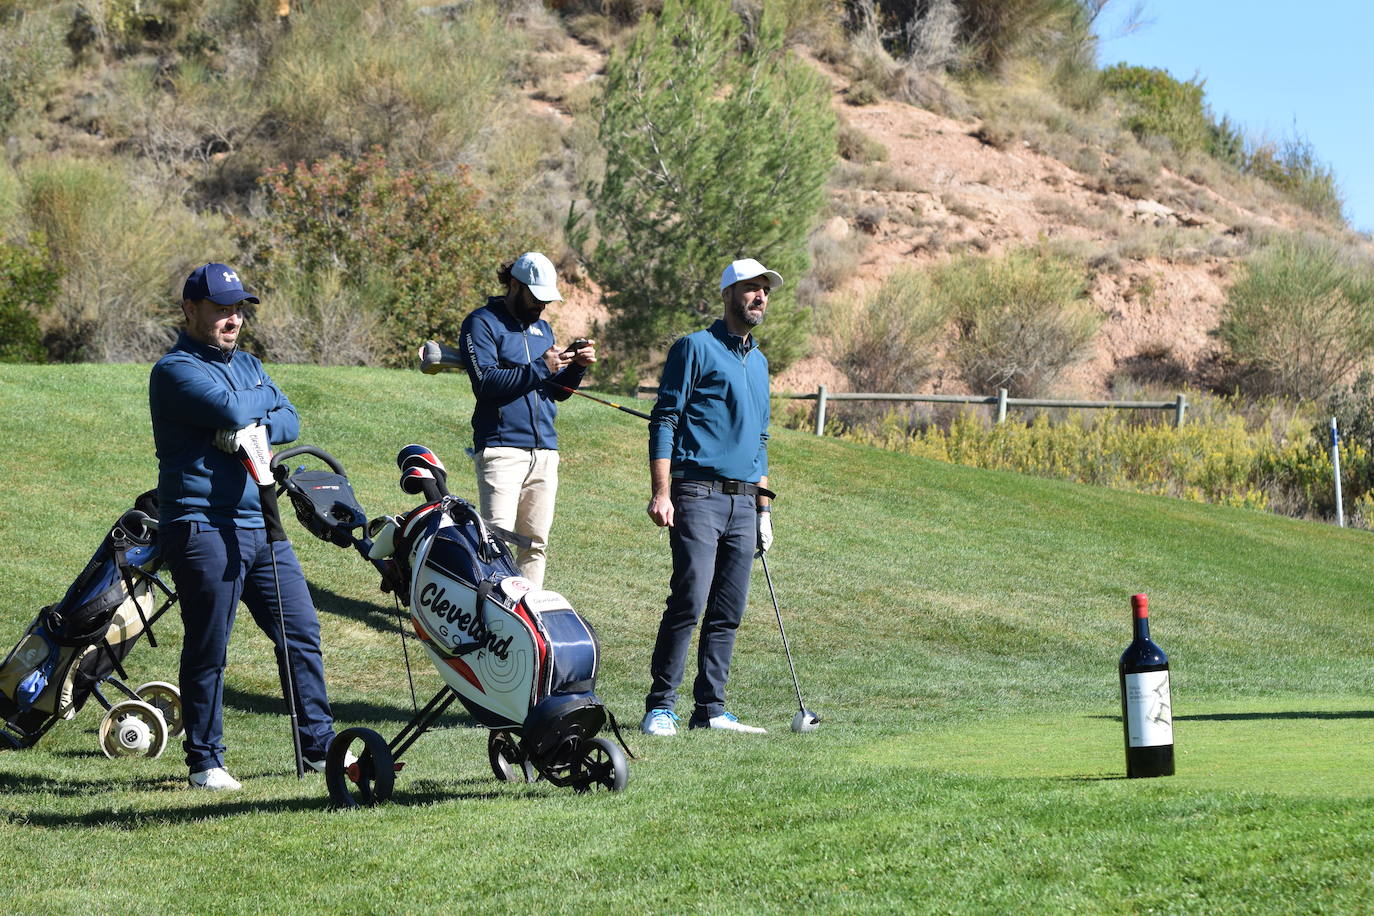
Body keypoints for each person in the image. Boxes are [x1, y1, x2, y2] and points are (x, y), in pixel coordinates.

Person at [149, 262, 339, 790]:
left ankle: (320, 749)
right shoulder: (174, 370)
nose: (232, 318)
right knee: (210, 643)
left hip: (262, 522)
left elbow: (290, 417)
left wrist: (251, 418)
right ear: (191, 310)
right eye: (220, 308)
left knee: (300, 632)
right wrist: (251, 411)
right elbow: (236, 408)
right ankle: (205, 762)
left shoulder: (250, 362)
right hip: (201, 525)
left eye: (238, 309)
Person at [641, 258, 779, 736]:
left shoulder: (760, 362)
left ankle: (711, 709)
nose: (760, 297)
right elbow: (665, 420)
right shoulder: (694, 348)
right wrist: (662, 492)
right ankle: (660, 707)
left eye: (765, 290)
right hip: (696, 493)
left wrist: (763, 510)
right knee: (690, 599)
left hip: (744, 501)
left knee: (728, 610)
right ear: (727, 294)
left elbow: (760, 441)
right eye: (751, 288)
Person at [455, 251, 595, 588]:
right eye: (537, 296)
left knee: (536, 544)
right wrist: (541, 367)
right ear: (515, 285)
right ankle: (485, 616)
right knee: (494, 544)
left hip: (545, 452)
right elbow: (486, 384)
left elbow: (555, 391)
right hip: (501, 450)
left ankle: (526, 619)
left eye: (547, 298)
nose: (542, 306)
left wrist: (575, 367)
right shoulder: (482, 323)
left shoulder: (543, 330)